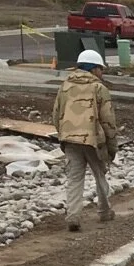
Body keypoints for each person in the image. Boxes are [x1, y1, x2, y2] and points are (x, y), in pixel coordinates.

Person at [52, 48, 117, 231]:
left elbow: (56, 115)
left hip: (70, 140)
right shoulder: (99, 89)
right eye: (100, 69)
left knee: (74, 178)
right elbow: (108, 120)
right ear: (94, 69)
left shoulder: (65, 86)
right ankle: (104, 211)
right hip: (93, 140)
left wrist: (63, 134)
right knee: (99, 175)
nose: (102, 73)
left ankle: (73, 216)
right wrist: (112, 147)